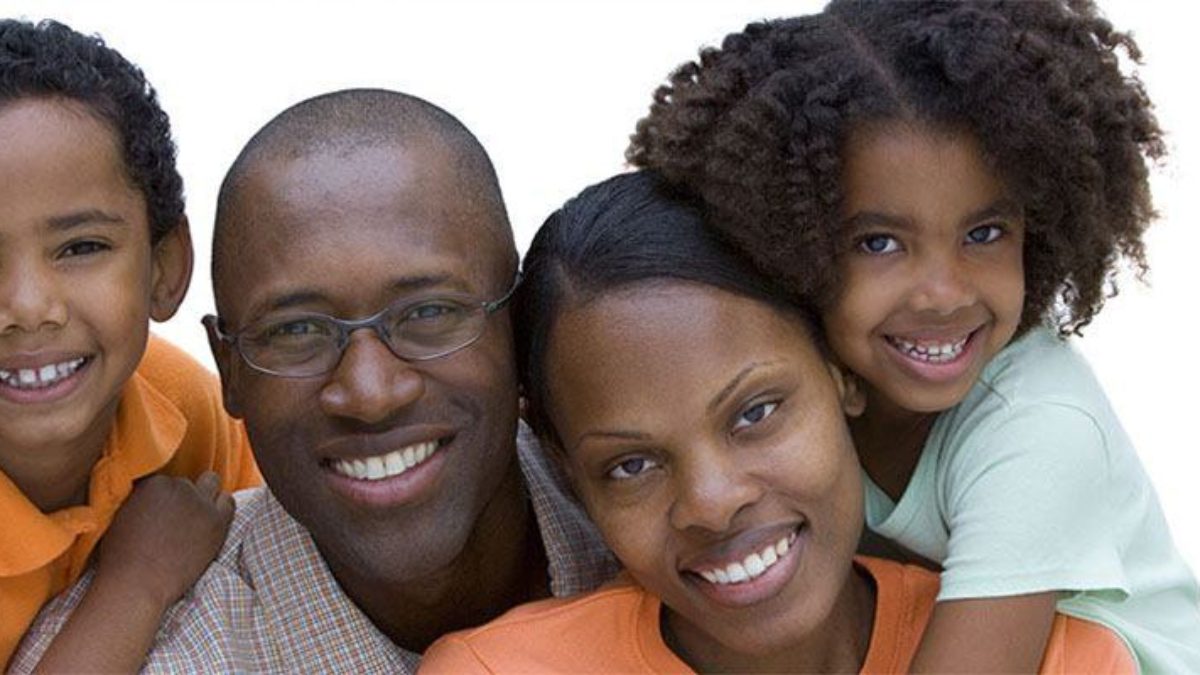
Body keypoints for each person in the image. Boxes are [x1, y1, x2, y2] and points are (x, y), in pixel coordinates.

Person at [626, 0, 1200, 671]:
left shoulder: (1041, 427)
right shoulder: (795, 384)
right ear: (788, 241)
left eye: (984, 233)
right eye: (879, 242)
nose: (944, 293)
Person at [420, 169, 1135, 673]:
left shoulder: (1059, 660)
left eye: (756, 412)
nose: (711, 500)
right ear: (564, 470)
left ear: (841, 372)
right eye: (631, 464)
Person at [10, 87, 618, 673]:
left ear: (518, 321)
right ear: (231, 370)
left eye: (430, 313)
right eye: (296, 331)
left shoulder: (660, 518)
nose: (371, 394)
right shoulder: (155, 652)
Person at [0, 19, 260, 672]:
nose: (30, 307)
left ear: (165, 269)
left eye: (81, 247)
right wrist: (136, 582)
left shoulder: (177, 406)